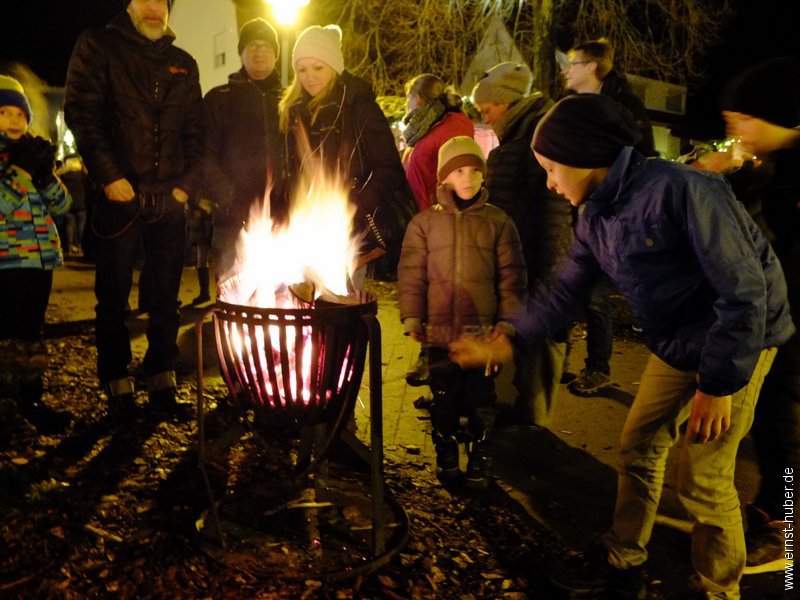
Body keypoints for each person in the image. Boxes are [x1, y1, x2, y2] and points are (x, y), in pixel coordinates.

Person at [449, 94, 793, 598]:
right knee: (638, 447)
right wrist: (511, 336)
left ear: (585, 158)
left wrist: (718, 385)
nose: (548, 181)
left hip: (739, 339)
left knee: (702, 479)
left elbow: (744, 293)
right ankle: (623, 552)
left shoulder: (683, 189)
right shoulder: (593, 213)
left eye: (550, 168)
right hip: (678, 340)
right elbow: (566, 288)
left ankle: (719, 588)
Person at [64, 0, 204, 416]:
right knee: (114, 298)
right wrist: (109, 176)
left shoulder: (184, 62)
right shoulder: (98, 45)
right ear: (127, 5)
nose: (153, 8)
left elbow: (196, 131)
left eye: (161, 0)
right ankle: (115, 378)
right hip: (119, 198)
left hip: (170, 200)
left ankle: (162, 376)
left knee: (166, 297)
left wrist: (186, 186)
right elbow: (82, 113)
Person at [695, 56, 800, 575]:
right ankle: (772, 512)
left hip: (790, 323)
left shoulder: (790, 177)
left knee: (782, 423)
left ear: (770, 115)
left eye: (740, 117)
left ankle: (783, 530)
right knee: (773, 423)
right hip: (778, 319)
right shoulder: (768, 169)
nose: (731, 127)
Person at [398, 136, 526, 489]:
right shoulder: (424, 224)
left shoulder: (499, 222)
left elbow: (512, 277)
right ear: (443, 179)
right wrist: (412, 316)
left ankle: (481, 459)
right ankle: (447, 455)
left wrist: (507, 322)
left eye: (474, 170)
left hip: (483, 336)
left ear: (484, 176)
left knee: (482, 400)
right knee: (444, 400)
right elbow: (412, 274)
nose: (467, 178)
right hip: (440, 335)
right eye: (458, 171)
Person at [472, 62, 573, 426]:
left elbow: (552, 219)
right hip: (519, 266)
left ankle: (533, 441)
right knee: (516, 356)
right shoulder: (516, 138)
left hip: (539, 269)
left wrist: (544, 279)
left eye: (488, 106)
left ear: (508, 101)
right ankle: (516, 426)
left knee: (537, 359)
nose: (483, 112)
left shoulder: (540, 139)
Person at [278, 24, 414, 290]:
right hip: (306, 225)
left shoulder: (357, 105)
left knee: (341, 304)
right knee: (307, 307)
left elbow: (388, 167)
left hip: (349, 226)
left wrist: (355, 204)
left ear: (334, 66)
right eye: (302, 69)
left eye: (318, 67)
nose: (309, 77)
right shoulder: (294, 111)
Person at [560, 38, 657, 396]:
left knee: (595, 296)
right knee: (568, 287)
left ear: (591, 67)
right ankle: (558, 359)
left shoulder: (625, 107)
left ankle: (598, 367)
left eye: (572, 63)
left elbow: (644, 157)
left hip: (607, 215)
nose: (565, 70)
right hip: (574, 211)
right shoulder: (570, 106)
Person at [0, 74, 71, 432]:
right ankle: (7, 402)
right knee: (8, 331)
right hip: (7, 263)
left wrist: (44, 175)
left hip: (39, 261)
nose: (14, 121)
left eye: (19, 114)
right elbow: (3, 204)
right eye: (4, 112)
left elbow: (62, 204)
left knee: (32, 331)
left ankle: (31, 400)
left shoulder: (31, 154)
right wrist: (22, 173)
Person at [400, 73, 474, 387]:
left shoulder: (452, 126)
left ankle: (439, 369)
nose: (406, 105)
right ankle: (432, 362)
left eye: (408, 98)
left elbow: (457, 175)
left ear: (420, 98)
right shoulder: (430, 125)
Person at [203, 18, 285, 282]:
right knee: (233, 289)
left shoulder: (290, 101)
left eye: (266, 46)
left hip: (282, 215)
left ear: (275, 54)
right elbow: (205, 153)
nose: (259, 51)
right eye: (252, 45)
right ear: (241, 52)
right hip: (232, 216)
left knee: (280, 292)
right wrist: (226, 194)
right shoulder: (219, 99)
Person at [57, 154, 87, 256]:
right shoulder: (82, 175)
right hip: (81, 204)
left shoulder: (63, 176)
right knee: (81, 226)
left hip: (69, 204)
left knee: (69, 225)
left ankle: (69, 246)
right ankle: (79, 245)